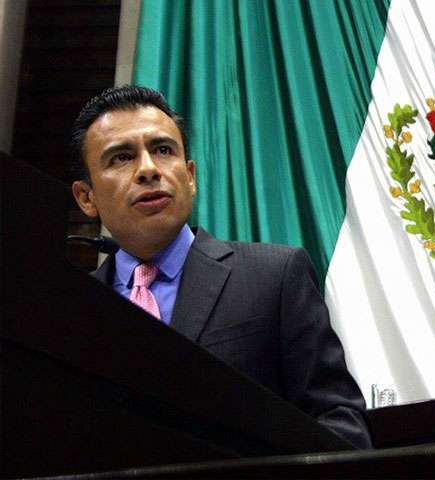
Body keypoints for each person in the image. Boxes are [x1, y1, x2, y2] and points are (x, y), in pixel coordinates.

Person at [69, 85, 372, 449]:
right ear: (86, 197)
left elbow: (340, 427)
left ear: (190, 176)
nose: (148, 169)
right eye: (121, 157)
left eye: (163, 150)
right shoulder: (71, 312)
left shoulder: (274, 277)